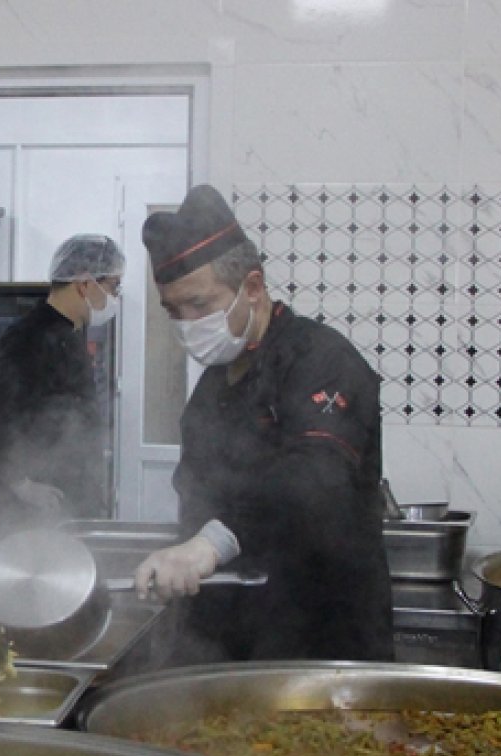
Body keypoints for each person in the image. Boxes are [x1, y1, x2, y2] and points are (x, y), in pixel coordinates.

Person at [134, 185, 393, 663]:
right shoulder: (213, 385)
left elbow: (317, 480)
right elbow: (199, 494)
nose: (187, 324)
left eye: (199, 305)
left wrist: (210, 544)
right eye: (174, 312)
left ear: (252, 288)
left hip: (320, 638)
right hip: (227, 637)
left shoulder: (320, 359)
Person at [0, 234, 119, 523]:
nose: (115, 298)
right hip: (37, 505)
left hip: (72, 498)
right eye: (113, 288)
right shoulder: (29, 336)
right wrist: (20, 484)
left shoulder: (74, 333)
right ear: (85, 284)